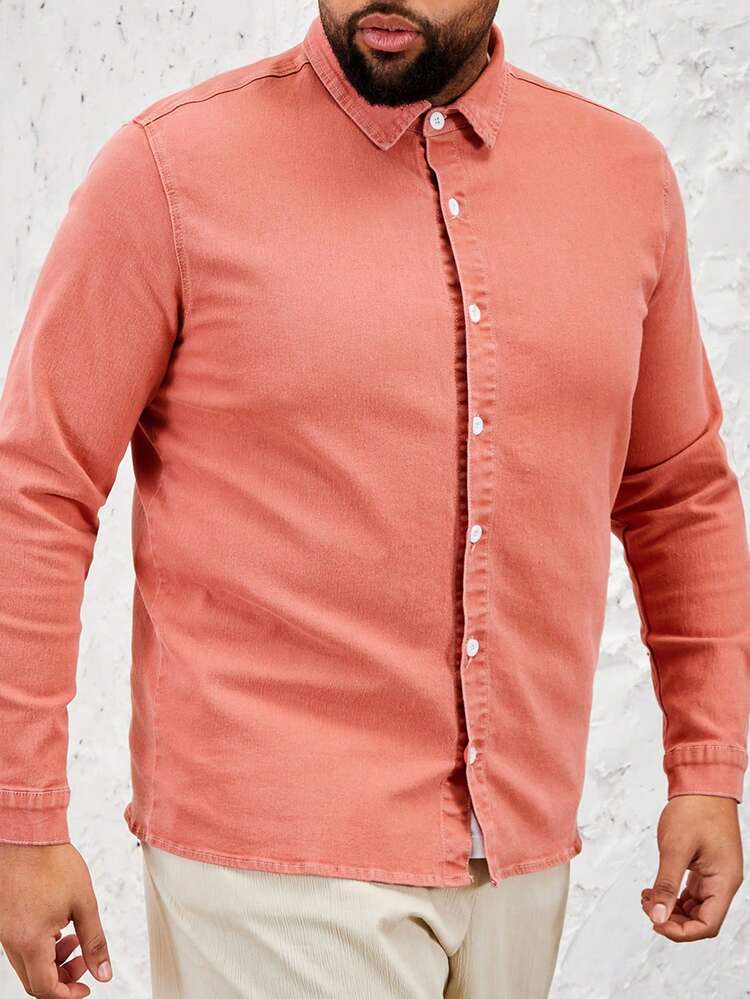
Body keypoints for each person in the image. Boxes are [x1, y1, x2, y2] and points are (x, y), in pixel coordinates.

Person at [1, 1, 748, 996]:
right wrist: (21, 816)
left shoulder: (624, 179)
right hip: (271, 858)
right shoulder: (171, 170)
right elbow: (38, 486)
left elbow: (677, 493)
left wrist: (706, 766)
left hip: (523, 846)